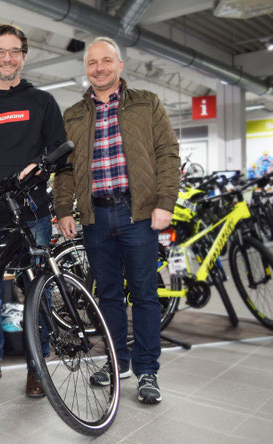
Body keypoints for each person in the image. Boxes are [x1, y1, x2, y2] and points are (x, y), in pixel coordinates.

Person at [54, 37, 180, 405]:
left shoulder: (146, 103)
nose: (99, 68)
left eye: (106, 61)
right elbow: (64, 168)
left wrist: (165, 202)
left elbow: (168, 154)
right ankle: (116, 361)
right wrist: (64, 209)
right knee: (107, 295)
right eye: (92, 63)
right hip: (95, 215)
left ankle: (147, 371)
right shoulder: (74, 114)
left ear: (120, 65)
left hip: (138, 213)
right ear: (86, 69)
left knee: (144, 294)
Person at [0, 24, 66, 397]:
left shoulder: (43, 103)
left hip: (33, 214)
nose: (7, 58)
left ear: (24, 55)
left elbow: (58, 150)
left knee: (39, 291)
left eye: (14, 51)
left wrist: (39, 167)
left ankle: (38, 366)